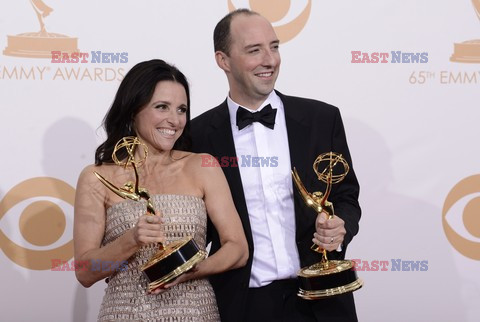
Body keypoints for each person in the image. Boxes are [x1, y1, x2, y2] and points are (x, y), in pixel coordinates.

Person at [190, 9, 361, 322]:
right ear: (223, 60)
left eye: (274, 47)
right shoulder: (196, 136)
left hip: (322, 300)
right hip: (242, 305)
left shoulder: (322, 120)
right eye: (254, 50)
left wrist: (341, 226)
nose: (269, 60)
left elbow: (347, 196)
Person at [73, 59, 248, 321]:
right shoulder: (97, 177)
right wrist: (131, 240)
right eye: (161, 107)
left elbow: (238, 249)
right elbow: (86, 271)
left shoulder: (203, 166)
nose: (174, 120)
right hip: (126, 312)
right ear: (133, 109)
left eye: (181, 109)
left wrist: (194, 270)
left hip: (195, 312)